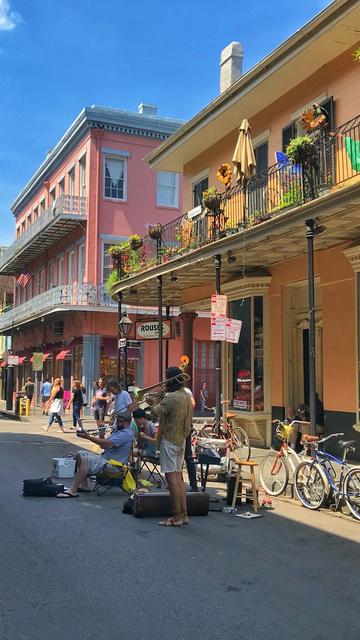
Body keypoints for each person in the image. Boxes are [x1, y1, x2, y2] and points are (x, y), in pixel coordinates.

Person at [150, 366, 193, 527]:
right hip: (181, 439)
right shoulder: (186, 395)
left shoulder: (171, 397)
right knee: (179, 478)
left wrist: (156, 397)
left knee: (172, 479)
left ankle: (176, 516)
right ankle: (184, 514)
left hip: (169, 440)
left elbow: (155, 411)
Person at [56, 411, 134, 498]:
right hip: (106, 460)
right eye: (117, 421)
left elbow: (107, 443)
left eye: (119, 421)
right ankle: (84, 486)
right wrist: (101, 434)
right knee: (80, 454)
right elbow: (103, 446)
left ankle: (73, 490)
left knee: (86, 460)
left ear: (127, 422)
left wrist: (88, 437)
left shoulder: (126, 433)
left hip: (116, 466)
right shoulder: (118, 431)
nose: (117, 423)